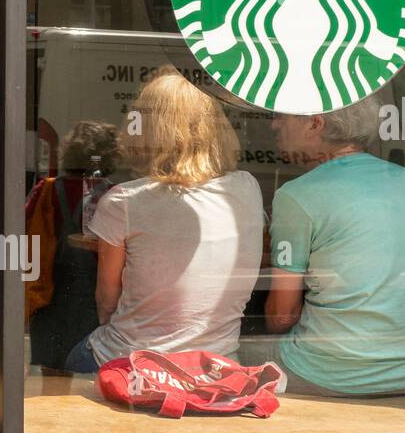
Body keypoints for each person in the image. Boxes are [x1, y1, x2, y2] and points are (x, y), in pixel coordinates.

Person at [65, 69, 264, 374]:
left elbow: (106, 301)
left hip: (130, 363)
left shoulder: (123, 201)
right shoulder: (247, 187)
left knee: (70, 356)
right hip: (217, 365)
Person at [265, 98, 405, 396]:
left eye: (282, 115)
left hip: (326, 374)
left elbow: (281, 316)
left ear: (315, 124)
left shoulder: (298, 195)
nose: (274, 124)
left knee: (231, 354)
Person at [25, 120, 119, 370]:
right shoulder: (115, 195)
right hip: (94, 297)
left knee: (48, 372)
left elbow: (24, 233)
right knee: (91, 370)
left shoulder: (46, 190)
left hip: (49, 297)